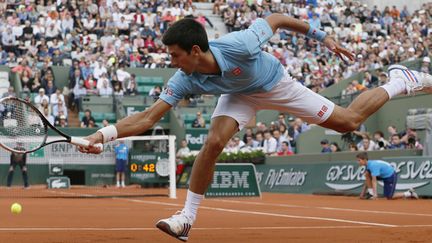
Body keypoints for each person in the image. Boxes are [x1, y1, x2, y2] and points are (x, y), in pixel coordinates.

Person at [78, 15, 432, 241]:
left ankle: (401, 80)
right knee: (213, 143)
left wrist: (322, 36)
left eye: (174, 55)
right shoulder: (183, 78)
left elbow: (275, 18)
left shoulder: (240, 44)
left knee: (348, 122)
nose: (171, 61)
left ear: (196, 50)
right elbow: (146, 119)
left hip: (276, 84)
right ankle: (186, 218)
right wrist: (101, 136)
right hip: (238, 96)